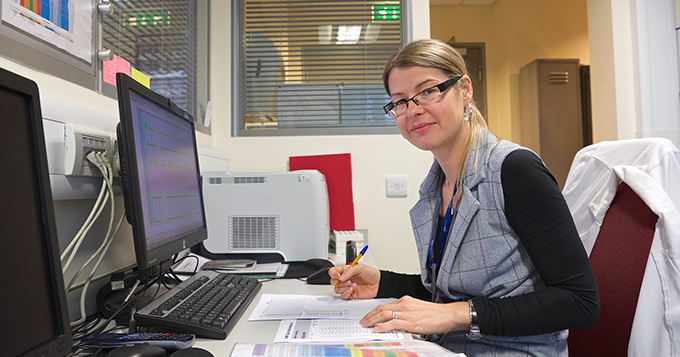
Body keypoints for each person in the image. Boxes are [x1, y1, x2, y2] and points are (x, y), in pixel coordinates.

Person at [329, 39, 600, 356]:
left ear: (465, 90)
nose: (413, 110)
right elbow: (451, 294)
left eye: (428, 91)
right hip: (455, 347)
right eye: (399, 102)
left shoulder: (514, 170)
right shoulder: (438, 185)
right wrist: (383, 284)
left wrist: (455, 315)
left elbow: (579, 301)